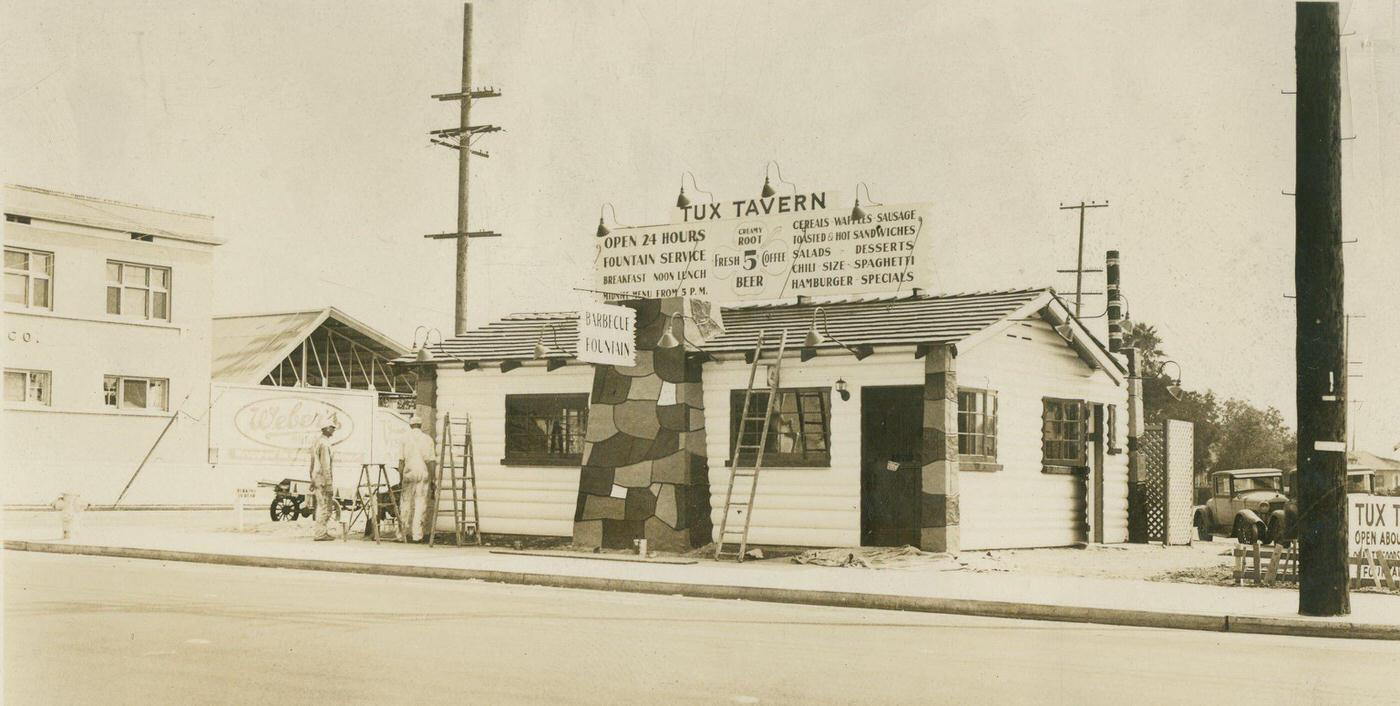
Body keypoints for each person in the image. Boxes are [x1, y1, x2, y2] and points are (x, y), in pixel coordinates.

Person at [397, 416, 437, 542]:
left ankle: (401, 534)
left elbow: (401, 461)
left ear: (410, 425)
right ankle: (417, 535)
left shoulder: (403, 438)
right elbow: (431, 461)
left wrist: (400, 478)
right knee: (420, 504)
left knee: (405, 503)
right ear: (420, 425)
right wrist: (433, 479)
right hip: (422, 473)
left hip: (408, 472)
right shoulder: (427, 439)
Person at [309, 421, 339, 541]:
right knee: (325, 506)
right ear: (326, 428)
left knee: (321, 506)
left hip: (317, 478)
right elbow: (325, 466)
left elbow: (312, 463)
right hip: (322, 480)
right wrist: (329, 484)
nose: (334, 430)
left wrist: (311, 478)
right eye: (332, 427)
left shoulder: (317, 442)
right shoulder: (324, 444)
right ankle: (320, 533)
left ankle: (321, 532)